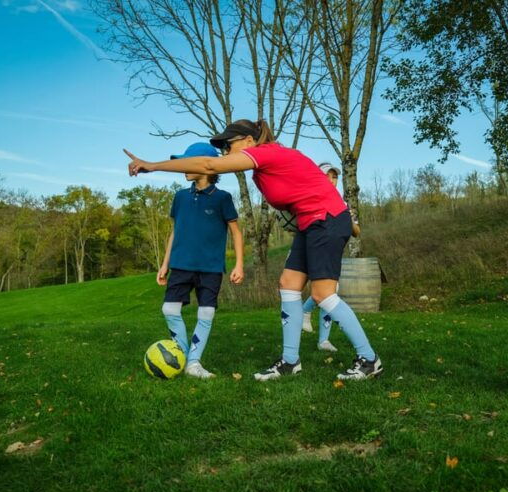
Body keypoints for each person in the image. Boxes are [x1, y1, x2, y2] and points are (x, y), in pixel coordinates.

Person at [125, 120, 382, 381]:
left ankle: (369, 359)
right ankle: (290, 361)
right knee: (288, 284)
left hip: (325, 220)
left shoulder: (267, 153)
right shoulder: (262, 170)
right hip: (311, 222)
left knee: (322, 294)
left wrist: (153, 165)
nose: (225, 152)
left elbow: (208, 164)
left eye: (228, 145)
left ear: (249, 141)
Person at [156, 142, 244, 379]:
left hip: (211, 268)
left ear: (206, 166)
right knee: (169, 309)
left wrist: (238, 264)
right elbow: (175, 231)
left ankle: (193, 363)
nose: (183, 167)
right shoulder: (180, 197)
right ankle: (183, 354)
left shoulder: (222, 198)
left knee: (206, 314)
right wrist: (165, 264)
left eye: (187, 162)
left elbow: (236, 232)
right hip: (181, 265)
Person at [301, 162, 361, 353]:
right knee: (328, 292)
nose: (331, 180)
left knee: (329, 293)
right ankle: (306, 311)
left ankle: (323, 339)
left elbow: (357, 232)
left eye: (334, 176)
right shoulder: (311, 198)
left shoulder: (343, 204)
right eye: (327, 175)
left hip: (334, 251)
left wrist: (348, 219)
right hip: (315, 248)